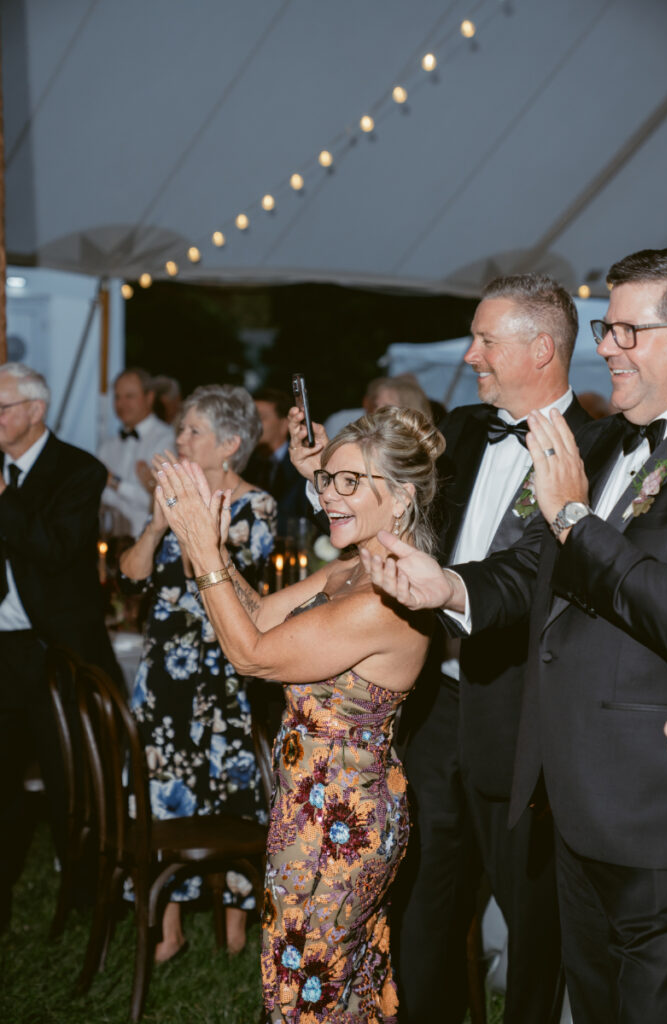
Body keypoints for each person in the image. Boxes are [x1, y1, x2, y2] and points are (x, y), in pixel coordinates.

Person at [360, 247, 667, 1024]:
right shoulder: (603, 447)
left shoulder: (588, 455)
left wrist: (574, 519)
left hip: (648, 802)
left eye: (626, 331)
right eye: (605, 329)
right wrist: (450, 588)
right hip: (568, 790)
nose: (604, 346)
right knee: (590, 995)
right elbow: (529, 569)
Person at [290, 273, 589, 1023]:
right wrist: (319, 477)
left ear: (540, 347)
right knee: (423, 909)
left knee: (530, 928)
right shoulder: (459, 427)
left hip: (525, 724)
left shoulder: (598, 447)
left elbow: (533, 575)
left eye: (485, 340)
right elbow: (389, 502)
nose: (470, 354)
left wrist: (448, 588)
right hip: (434, 710)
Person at [154, 407, 443, 1022]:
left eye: (349, 483)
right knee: (338, 990)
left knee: (308, 993)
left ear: (400, 499)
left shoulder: (385, 600)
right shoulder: (349, 571)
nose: (329, 497)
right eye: (326, 480)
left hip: (340, 823)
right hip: (311, 808)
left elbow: (252, 657)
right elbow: (258, 616)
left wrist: (205, 553)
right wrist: (208, 545)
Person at [119, 384, 276, 962]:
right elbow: (133, 575)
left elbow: (225, 583)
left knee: (232, 794)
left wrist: (191, 523)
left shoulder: (254, 506)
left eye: (192, 431)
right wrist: (158, 524)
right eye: (181, 429)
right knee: (164, 794)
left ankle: (236, 930)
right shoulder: (172, 501)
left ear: (230, 444)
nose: (179, 439)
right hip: (165, 674)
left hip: (220, 672)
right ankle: (171, 927)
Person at [0, 362, 118, 933]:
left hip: (55, 654)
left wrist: (2, 497)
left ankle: (84, 905)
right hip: (1, 651)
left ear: (35, 411)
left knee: (71, 785)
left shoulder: (78, 470)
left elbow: (54, 549)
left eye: (0, 408)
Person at [98, 367, 176, 538]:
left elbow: (161, 502)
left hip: (149, 543)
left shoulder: (166, 440)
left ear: (149, 398)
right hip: (110, 542)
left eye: (129, 396)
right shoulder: (108, 446)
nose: (121, 404)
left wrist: (116, 483)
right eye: (117, 397)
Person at [245, 388, 309, 536]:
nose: (252, 425)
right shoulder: (244, 466)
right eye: (250, 419)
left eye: (260, 418)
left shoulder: (303, 466)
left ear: (285, 424)